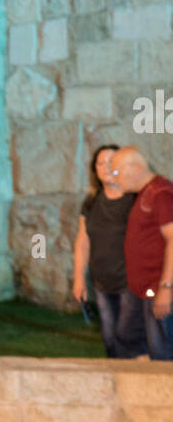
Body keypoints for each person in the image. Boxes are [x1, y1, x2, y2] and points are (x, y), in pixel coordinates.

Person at [72, 145, 145, 358]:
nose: (106, 168)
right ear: (94, 170)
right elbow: (82, 242)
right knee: (110, 338)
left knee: (127, 335)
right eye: (100, 163)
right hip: (102, 282)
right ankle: (117, 382)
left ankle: (135, 381)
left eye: (111, 162)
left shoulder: (136, 199)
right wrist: (78, 279)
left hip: (131, 282)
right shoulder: (92, 202)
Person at [111, 146, 173, 361]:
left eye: (116, 172)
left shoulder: (161, 194)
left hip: (158, 287)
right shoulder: (146, 193)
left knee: (162, 350)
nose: (113, 178)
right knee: (131, 338)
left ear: (135, 168)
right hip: (142, 288)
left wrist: (166, 288)